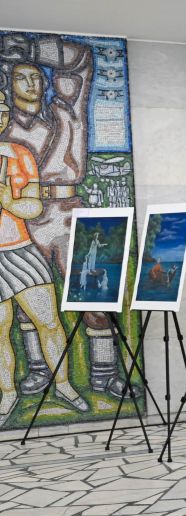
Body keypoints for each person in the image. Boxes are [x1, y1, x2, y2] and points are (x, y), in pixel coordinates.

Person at [0, 91, 87, 424]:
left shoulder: (19, 154)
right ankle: (8, 393)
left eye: (3, 113)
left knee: (49, 323)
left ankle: (63, 385)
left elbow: (33, 207)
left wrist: (8, 200)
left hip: (20, 250)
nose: (1, 119)